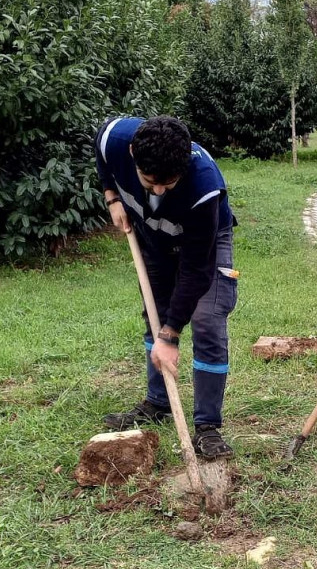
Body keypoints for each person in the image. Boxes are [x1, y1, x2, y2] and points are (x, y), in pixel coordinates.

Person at [94, 116, 238, 459]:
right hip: (152, 236)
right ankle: (157, 403)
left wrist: (171, 335)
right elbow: (99, 149)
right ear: (132, 153)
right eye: (150, 181)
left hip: (204, 243)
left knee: (206, 318)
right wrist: (112, 196)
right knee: (154, 314)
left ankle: (207, 427)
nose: (159, 190)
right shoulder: (115, 138)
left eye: (169, 183)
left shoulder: (204, 187)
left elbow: (196, 271)